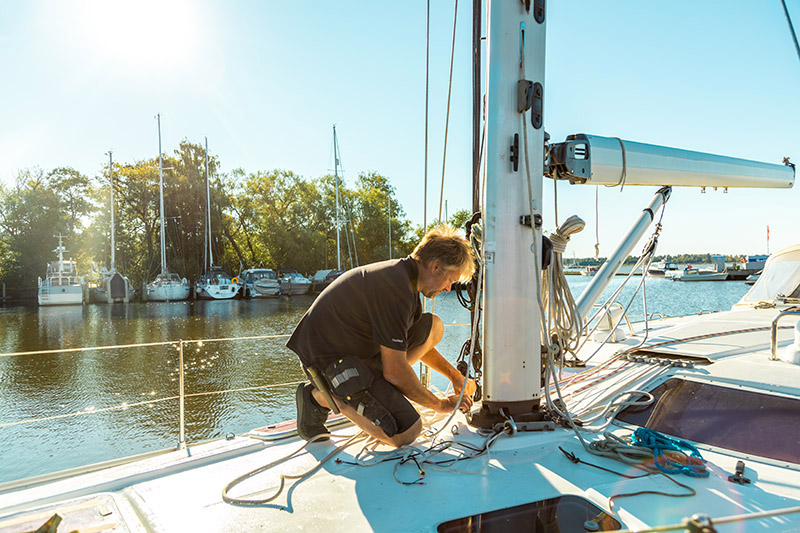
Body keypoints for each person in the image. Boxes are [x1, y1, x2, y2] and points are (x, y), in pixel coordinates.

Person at [287, 225, 476, 447]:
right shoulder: (394, 289)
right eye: (450, 280)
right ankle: (318, 396)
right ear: (436, 267)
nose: (448, 288)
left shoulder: (406, 280)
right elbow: (395, 372)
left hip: (358, 350)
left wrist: (455, 377)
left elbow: (411, 346)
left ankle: (376, 386)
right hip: (328, 361)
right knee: (406, 432)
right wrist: (442, 405)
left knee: (433, 326)